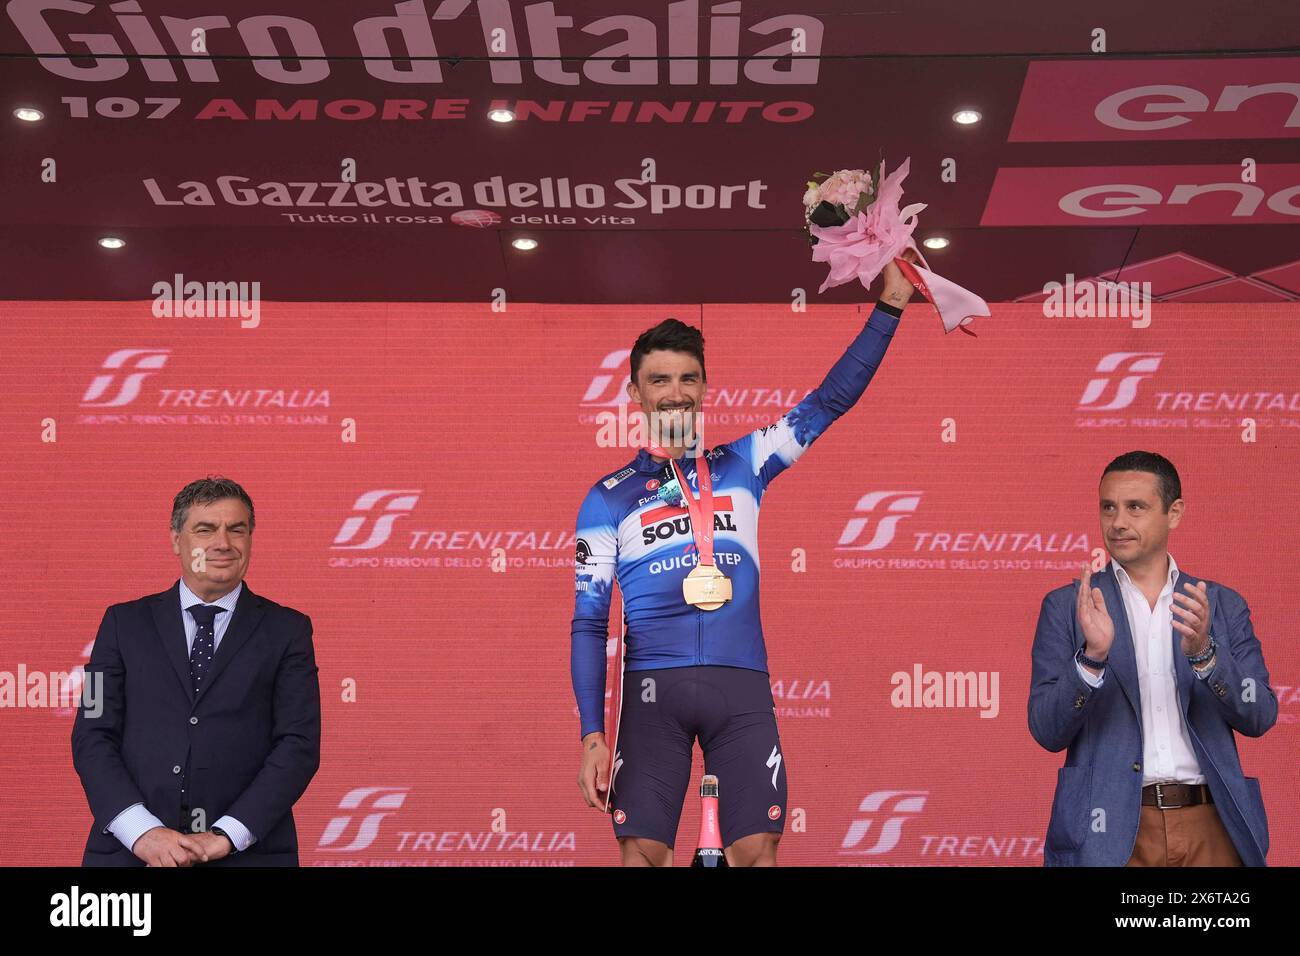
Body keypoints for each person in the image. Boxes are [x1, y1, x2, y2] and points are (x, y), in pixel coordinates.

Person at [571, 254, 918, 866]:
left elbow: (829, 401)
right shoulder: (606, 498)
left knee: (757, 853)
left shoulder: (745, 463)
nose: (674, 393)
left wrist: (889, 305)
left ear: (705, 386)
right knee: (643, 858)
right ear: (633, 392)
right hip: (654, 694)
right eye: (658, 380)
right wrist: (591, 737)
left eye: (687, 379)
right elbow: (588, 623)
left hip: (742, 689)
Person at [1028, 451, 1277, 866]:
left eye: (1135, 507)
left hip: (1213, 827)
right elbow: (1046, 730)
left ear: (1174, 513)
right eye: (1108, 507)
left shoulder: (1219, 605)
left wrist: (1206, 656)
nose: (1118, 522)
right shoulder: (1069, 607)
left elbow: (1260, 715)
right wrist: (1092, 659)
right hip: (1107, 832)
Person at [72, 476, 321, 866]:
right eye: (205, 529)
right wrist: (142, 832)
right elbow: (91, 733)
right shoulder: (120, 624)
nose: (223, 543)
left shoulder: (288, 630)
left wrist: (226, 836)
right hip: (130, 854)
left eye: (236, 529)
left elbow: (298, 745)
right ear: (176, 540)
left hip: (247, 855)